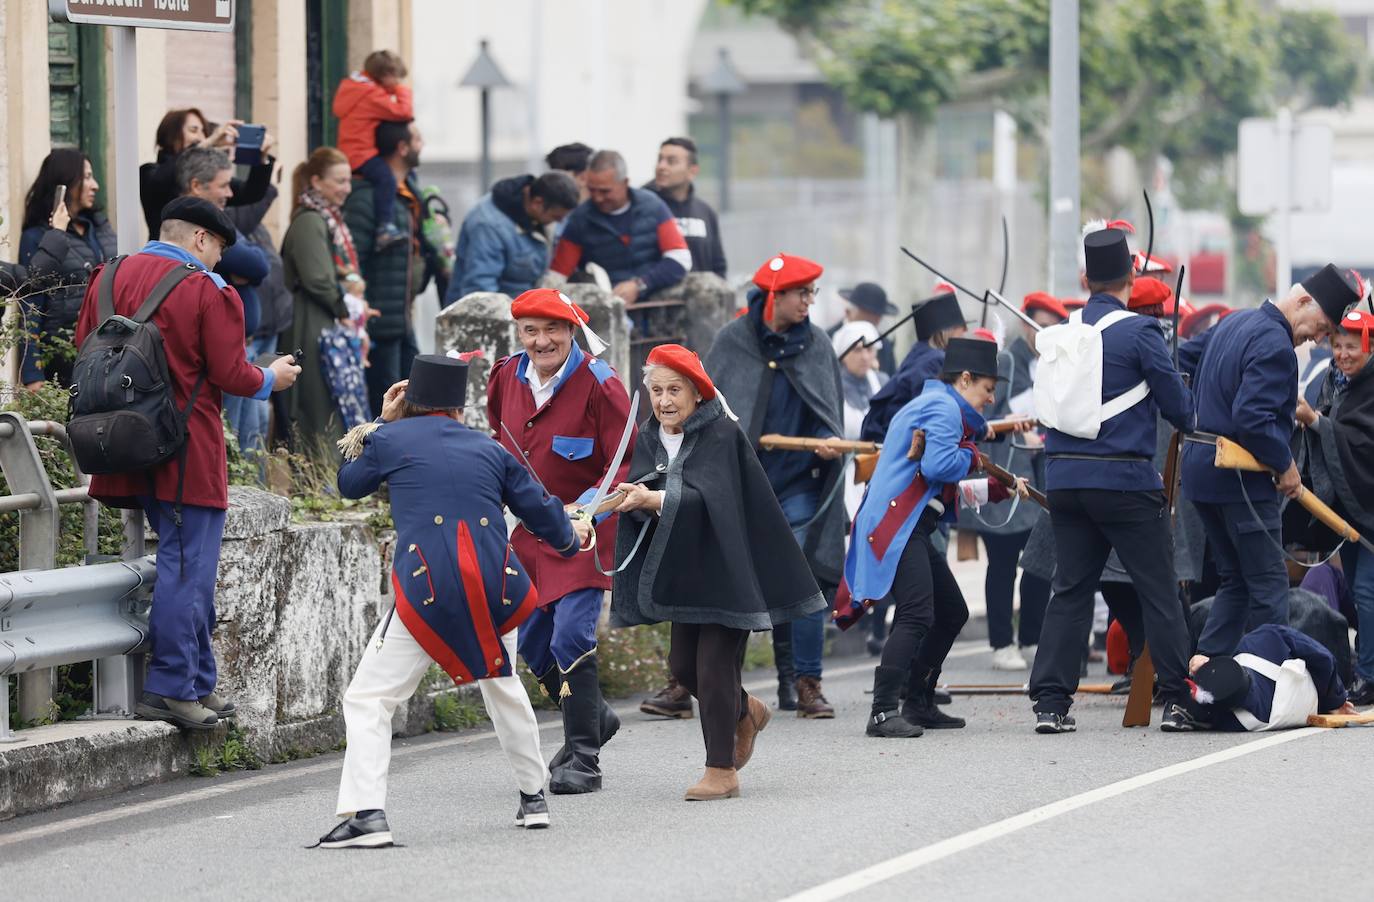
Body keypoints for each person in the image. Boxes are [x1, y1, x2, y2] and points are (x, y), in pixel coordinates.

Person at [316, 357, 595, 848]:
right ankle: (533, 800)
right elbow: (540, 510)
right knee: (503, 686)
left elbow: (349, 483)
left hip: (429, 588)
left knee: (369, 699)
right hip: (497, 586)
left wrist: (382, 420)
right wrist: (573, 542)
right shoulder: (491, 449)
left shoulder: (389, 438)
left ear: (409, 398)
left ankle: (367, 815)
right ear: (458, 405)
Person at [73, 196, 300, 729]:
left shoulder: (107, 277)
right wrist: (272, 378)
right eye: (219, 248)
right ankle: (172, 686)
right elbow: (232, 374)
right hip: (184, 448)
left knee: (187, 563)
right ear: (200, 239)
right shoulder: (207, 289)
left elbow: (86, 348)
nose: (219, 260)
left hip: (117, 442)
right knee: (187, 565)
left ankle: (200, 679)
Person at [609, 345, 826, 799]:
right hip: (686, 573)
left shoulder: (721, 434)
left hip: (730, 571)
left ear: (697, 392)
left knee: (712, 668)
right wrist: (630, 498)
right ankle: (746, 711)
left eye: (674, 390)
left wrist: (655, 500)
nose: (665, 400)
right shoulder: (651, 436)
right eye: (656, 391)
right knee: (683, 668)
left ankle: (721, 770)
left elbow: (715, 502)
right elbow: (651, 485)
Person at [1028, 227, 1196, 734]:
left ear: (1085, 278)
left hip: (1065, 480)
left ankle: (1052, 703)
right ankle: (1177, 699)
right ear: (1131, 278)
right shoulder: (1141, 333)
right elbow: (1182, 412)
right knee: (1159, 591)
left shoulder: (1060, 332)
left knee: (1071, 591)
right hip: (1123, 479)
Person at [839, 338, 1031, 736]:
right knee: (917, 614)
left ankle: (918, 700)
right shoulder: (943, 408)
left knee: (951, 612)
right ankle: (882, 711)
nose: (991, 399)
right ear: (964, 379)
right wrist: (976, 458)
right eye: (987, 389)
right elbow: (943, 465)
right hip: (898, 526)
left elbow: (937, 488)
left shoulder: (941, 408)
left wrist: (1000, 488)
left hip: (912, 524)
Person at [487, 288, 634, 794]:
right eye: (531, 330)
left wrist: (584, 510)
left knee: (571, 634)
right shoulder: (505, 374)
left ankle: (584, 761)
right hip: (527, 532)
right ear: (519, 334)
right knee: (530, 641)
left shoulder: (601, 383)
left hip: (583, 532)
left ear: (571, 331)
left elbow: (625, 465)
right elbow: (498, 442)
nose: (542, 340)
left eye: (553, 329)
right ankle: (595, 718)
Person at [1179, 264, 1355, 659]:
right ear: (1304, 300)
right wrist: (1285, 466)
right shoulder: (1275, 344)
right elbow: (1253, 419)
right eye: (1323, 327)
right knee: (1270, 588)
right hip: (1240, 477)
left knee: (1236, 583)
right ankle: (1267, 683)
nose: (1320, 338)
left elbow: (1182, 358)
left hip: (1201, 471)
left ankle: (1202, 683)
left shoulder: (1234, 321)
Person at [704, 253, 846, 717]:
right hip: (741, 484)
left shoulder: (818, 344)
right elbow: (707, 409)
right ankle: (704, 682)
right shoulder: (733, 340)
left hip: (796, 483)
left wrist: (827, 440)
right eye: (800, 294)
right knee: (726, 579)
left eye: (812, 294)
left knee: (802, 575)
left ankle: (806, 681)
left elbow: (827, 412)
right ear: (774, 296)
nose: (808, 302)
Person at [973, 292, 1062, 671]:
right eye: (1041, 322)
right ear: (1026, 323)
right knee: (1003, 563)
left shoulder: (1051, 363)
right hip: (1006, 473)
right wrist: (1018, 429)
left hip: (1038, 476)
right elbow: (987, 412)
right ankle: (1000, 643)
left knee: (1039, 561)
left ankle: (1030, 637)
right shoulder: (1008, 360)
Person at [1293, 307, 1374, 705]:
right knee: (1362, 592)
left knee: (1367, 590)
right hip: (1353, 512)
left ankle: (1369, 675)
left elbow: (1362, 444)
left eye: (1352, 346)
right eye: (1337, 345)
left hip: (1369, 509)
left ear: (1370, 345)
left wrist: (1318, 423)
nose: (1343, 354)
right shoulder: (1334, 381)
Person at [281, 147, 369, 451]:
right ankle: (319, 476)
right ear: (316, 182)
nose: (346, 188)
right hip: (311, 323)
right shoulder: (310, 221)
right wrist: (344, 306)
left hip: (320, 319)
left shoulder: (326, 220)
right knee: (316, 405)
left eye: (348, 181)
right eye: (339, 181)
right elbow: (317, 278)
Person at [344, 120, 426, 417]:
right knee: (386, 407)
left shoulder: (406, 196)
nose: (423, 144)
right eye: (417, 139)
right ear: (402, 147)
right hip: (378, 322)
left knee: (414, 400)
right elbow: (354, 262)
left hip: (400, 320)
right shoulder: (368, 199)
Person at [18, 148, 116, 390]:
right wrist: (32, 374)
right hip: (63, 365)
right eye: (87, 177)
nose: (95, 186)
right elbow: (30, 306)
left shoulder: (101, 229)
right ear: (65, 182)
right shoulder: (38, 237)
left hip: (110, 357)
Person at [548, 149, 691, 306]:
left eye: (605, 191)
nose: (598, 197)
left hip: (654, 291)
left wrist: (640, 285)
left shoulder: (653, 207)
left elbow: (680, 258)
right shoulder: (579, 219)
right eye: (592, 190)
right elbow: (558, 275)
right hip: (605, 301)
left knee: (705, 286)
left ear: (625, 183)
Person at [1185, 625, 1355, 731]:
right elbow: (1322, 657)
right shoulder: (1264, 638)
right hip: (1318, 700)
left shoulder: (1224, 722)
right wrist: (1336, 701)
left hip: (1247, 720)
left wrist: (1203, 671)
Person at [444, 171, 579, 303]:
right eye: (555, 217)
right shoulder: (488, 226)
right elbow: (482, 291)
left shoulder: (536, 215)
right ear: (538, 203)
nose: (558, 223)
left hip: (521, 310)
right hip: (490, 313)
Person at [226, 184, 290, 457]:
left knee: (257, 427)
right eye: (222, 185)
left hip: (255, 336)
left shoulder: (241, 227)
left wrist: (247, 268)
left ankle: (256, 492)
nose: (228, 192)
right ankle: (244, 492)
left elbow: (259, 262)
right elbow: (254, 264)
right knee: (240, 433)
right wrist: (241, 270)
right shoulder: (216, 220)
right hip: (236, 343)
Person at [139, 108, 275, 235]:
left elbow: (250, 193)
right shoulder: (150, 173)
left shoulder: (207, 175)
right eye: (193, 130)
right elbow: (162, 178)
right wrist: (209, 142)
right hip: (167, 257)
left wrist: (262, 159)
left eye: (204, 131)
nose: (201, 137)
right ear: (171, 135)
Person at [861, 287, 969, 442]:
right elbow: (932, 416)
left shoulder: (922, 353)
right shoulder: (935, 360)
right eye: (961, 328)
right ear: (948, 331)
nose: (965, 333)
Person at [332, 50, 414, 251]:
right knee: (385, 178)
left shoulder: (352, 87)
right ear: (384, 75)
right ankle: (385, 227)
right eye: (395, 78)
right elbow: (404, 112)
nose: (396, 82)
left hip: (349, 150)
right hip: (361, 153)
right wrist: (401, 90)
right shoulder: (372, 95)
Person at [644, 137, 727, 279]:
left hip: (700, 297)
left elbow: (718, 266)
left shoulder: (705, 212)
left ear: (692, 171)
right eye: (660, 160)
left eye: (671, 161)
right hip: (655, 298)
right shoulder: (643, 206)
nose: (662, 167)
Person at [829, 282, 898, 375]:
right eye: (867, 320)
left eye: (876, 320)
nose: (869, 329)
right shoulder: (827, 339)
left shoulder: (885, 346)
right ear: (848, 312)